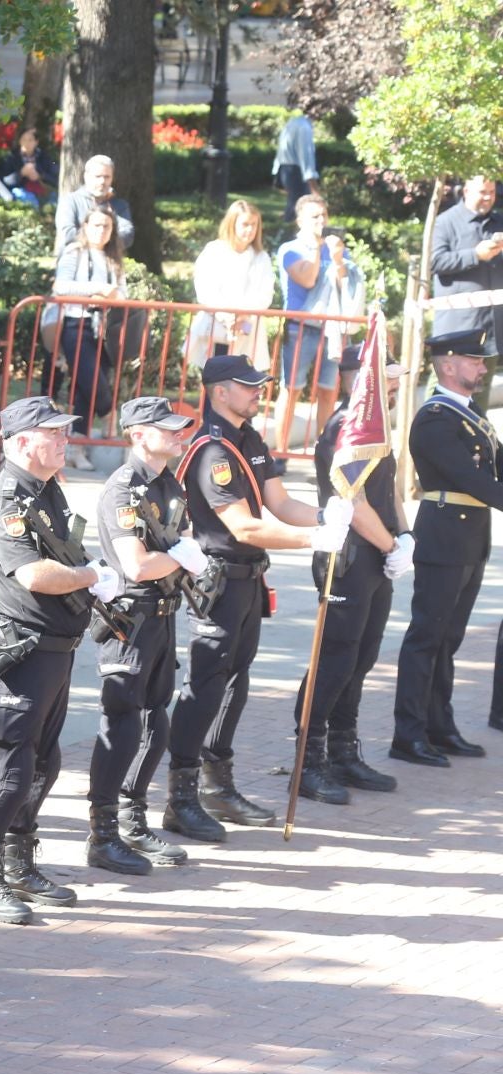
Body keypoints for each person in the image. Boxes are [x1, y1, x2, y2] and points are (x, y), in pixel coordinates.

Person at [163, 356, 349, 842]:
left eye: (258, 384)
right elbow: (244, 526)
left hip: (248, 579)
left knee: (234, 684)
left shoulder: (248, 439)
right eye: (247, 386)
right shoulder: (213, 451)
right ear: (219, 392)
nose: (257, 392)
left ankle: (218, 785)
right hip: (219, 580)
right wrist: (313, 540)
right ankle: (181, 797)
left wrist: (326, 514)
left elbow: (279, 503)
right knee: (206, 686)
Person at [0, 399, 118, 924]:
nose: (63, 439)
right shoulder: (8, 500)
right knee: (12, 764)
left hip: (57, 647)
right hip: (25, 649)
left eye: (63, 431)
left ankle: (18, 860)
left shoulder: (46, 489)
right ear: (21, 441)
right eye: (53, 432)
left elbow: (64, 554)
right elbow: (33, 575)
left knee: (43, 763)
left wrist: (91, 574)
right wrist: (93, 576)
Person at [85, 397, 204, 876]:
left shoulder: (167, 482)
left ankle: (132, 820)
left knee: (157, 721)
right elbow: (136, 565)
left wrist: (184, 558)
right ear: (137, 434)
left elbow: (177, 542)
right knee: (122, 724)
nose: (178, 435)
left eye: (178, 429)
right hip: (130, 620)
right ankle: (103, 834)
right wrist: (181, 558)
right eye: (166, 429)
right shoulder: (124, 489)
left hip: (163, 613)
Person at [293, 342, 408, 799]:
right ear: (359, 380)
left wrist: (405, 535)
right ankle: (308, 761)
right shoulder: (346, 430)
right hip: (350, 559)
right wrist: (392, 544)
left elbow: (389, 489)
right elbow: (355, 505)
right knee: (335, 659)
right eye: (387, 377)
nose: (395, 385)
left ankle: (343, 752)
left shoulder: (375, 429)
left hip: (376, 555)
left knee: (361, 658)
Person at [392, 329, 503, 765]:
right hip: (444, 536)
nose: (482, 369)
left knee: (449, 638)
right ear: (449, 364)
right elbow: (472, 479)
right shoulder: (436, 418)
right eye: (475, 361)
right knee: (427, 636)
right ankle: (408, 735)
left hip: (471, 538)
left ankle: (440, 725)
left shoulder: (472, 414)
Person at [274, 195, 366, 450]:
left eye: (324, 215)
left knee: (328, 391)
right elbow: (307, 279)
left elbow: (346, 285)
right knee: (291, 389)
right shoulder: (290, 249)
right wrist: (317, 248)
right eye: (314, 216)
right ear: (300, 220)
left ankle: (322, 452)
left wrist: (338, 259)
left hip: (332, 329)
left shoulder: (337, 249)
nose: (321, 221)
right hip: (300, 327)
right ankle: (280, 454)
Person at [46, 205, 126, 469]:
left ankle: (76, 448)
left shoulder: (114, 259)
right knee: (91, 379)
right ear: (85, 227)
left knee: (84, 388)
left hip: (103, 327)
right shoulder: (74, 252)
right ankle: (110, 413)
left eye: (107, 226)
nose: (101, 231)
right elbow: (61, 285)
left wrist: (110, 296)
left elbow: (122, 293)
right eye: (96, 225)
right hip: (75, 321)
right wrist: (97, 290)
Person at [427, 177, 503, 413]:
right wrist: (475, 255)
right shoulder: (445, 222)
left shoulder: (499, 222)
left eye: (492, 192)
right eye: (483, 191)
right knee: (442, 399)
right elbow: (435, 262)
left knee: (478, 403)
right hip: (456, 330)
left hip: (491, 330)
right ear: (466, 190)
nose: (488, 197)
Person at [188, 200, 275, 370]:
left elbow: (265, 294)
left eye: (254, 225)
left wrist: (242, 316)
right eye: (245, 224)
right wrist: (226, 316)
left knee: (241, 379)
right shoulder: (214, 250)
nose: (250, 230)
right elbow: (205, 289)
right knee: (216, 379)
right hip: (217, 328)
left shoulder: (261, 257)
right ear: (232, 223)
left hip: (247, 330)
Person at [55, 155, 135, 254]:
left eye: (107, 177)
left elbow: (127, 234)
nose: (102, 181)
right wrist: (99, 242)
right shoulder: (70, 201)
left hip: (108, 258)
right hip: (75, 257)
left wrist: (102, 243)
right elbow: (67, 233)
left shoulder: (120, 205)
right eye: (97, 176)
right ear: (86, 177)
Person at [271, 107, 320, 227]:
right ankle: (288, 234)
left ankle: (283, 231)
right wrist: (315, 190)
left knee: (292, 206)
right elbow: (306, 156)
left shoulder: (293, 122)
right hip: (296, 172)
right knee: (300, 210)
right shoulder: (304, 127)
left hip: (285, 170)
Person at [0, 126, 56, 205]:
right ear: (20, 141)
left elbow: (54, 178)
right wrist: (21, 173)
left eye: (30, 140)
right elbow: (5, 181)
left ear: (36, 142)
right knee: (29, 200)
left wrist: (40, 176)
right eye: (24, 140)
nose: (27, 143)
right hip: (20, 189)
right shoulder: (12, 157)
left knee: (55, 200)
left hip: (42, 189)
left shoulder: (43, 157)